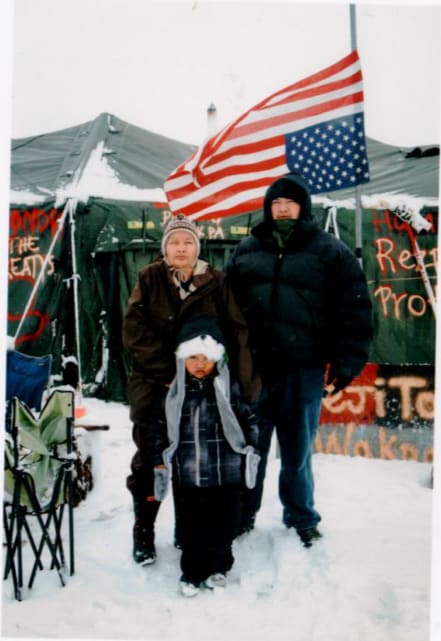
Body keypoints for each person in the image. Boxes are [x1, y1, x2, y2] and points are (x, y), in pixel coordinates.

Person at [224, 171, 373, 548]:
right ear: (267, 208)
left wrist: (345, 363)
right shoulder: (247, 249)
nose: (283, 208)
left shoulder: (329, 251)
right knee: (249, 448)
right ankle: (243, 513)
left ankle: (301, 516)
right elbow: (225, 307)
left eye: (290, 202)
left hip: (303, 369)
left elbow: (354, 310)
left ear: (303, 208)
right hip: (254, 369)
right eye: (276, 203)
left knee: (297, 449)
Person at [122, 214, 259, 566]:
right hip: (157, 384)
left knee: (199, 462)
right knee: (151, 462)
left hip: (205, 385)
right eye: (174, 243)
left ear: (197, 246)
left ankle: (192, 533)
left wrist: (243, 383)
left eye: (187, 243)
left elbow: (238, 330)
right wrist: (170, 371)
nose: (180, 248)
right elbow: (134, 331)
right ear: (164, 248)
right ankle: (144, 531)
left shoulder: (216, 281)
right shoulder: (149, 278)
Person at [150, 315, 260, 597]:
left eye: (206, 358)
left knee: (224, 524)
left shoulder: (227, 390)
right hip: (189, 475)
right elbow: (160, 427)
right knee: (191, 527)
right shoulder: (175, 396)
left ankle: (219, 567)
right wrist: (159, 456)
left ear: (217, 360)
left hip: (227, 473)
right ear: (182, 360)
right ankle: (192, 571)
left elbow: (249, 419)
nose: (200, 364)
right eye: (193, 358)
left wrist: (251, 447)